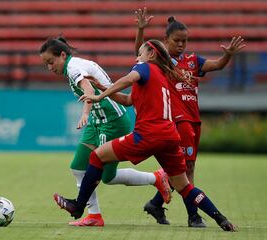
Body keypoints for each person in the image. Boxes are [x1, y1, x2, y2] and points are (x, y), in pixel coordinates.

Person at [53, 39, 237, 232]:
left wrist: (99, 96)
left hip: (148, 135)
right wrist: (101, 87)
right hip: (169, 137)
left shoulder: (145, 68)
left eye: (140, 53)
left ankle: (78, 206)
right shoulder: (161, 76)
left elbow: (127, 80)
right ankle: (221, 218)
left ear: (151, 55)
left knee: (96, 156)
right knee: (184, 186)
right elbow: (127, 100)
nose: (137, 57)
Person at [40, 36, 171, 227]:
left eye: (51, 62)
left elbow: (87, 87)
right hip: (98, 119)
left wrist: (85, 112)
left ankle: (156, 178)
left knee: (107, 176)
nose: (50, 67)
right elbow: (89, 88)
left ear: (62, 55)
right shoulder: (73, 65)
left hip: (112, 121)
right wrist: (89, 114)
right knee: (78, 167)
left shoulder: (73, 67)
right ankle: (94, 216)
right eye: (46, 64)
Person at [134, 8, 245, 226]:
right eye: (177, 40)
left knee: (183, 169)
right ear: (166, 40)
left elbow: (218, 65)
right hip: (177, 120)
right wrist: (141, 31)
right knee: (186, 169)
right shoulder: (162, 61)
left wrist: (228, 54)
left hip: (194, 119)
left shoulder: (193, 61)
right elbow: (140, 53)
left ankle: (156, 204)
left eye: (185, 41)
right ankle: (193, 216)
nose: (182, 45)